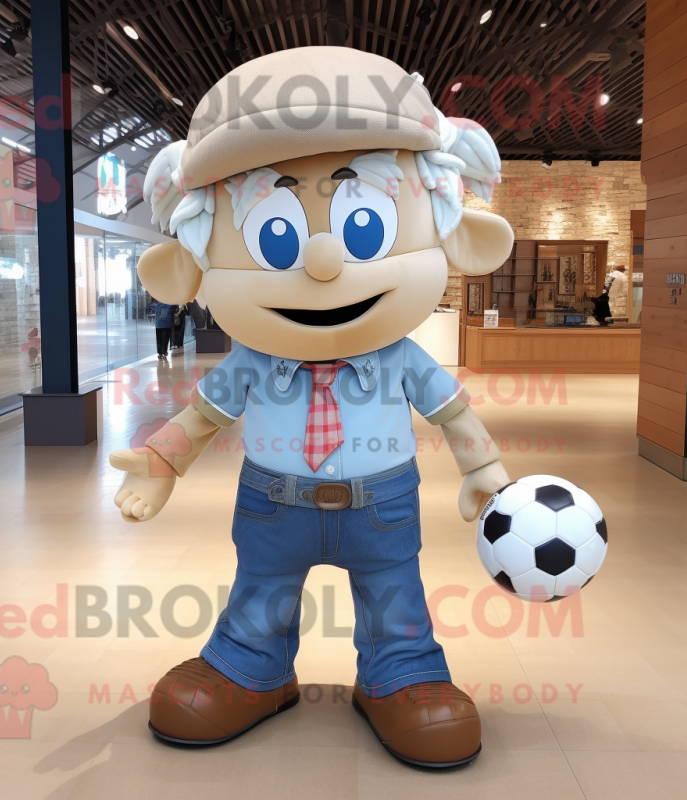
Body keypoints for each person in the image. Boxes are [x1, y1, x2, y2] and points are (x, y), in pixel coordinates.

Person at [107, 47, 515, 768]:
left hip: (382, 507)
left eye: (365, 229)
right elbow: (203, 416)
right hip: (274, 506)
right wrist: (160, 463)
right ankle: (251, 665)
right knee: (261, 592)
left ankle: (401, 669)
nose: (323, 263)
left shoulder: (400, 357)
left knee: (394, 596)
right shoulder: (253, 359)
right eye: (276, 237)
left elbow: (452, 412)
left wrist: (483, 468)